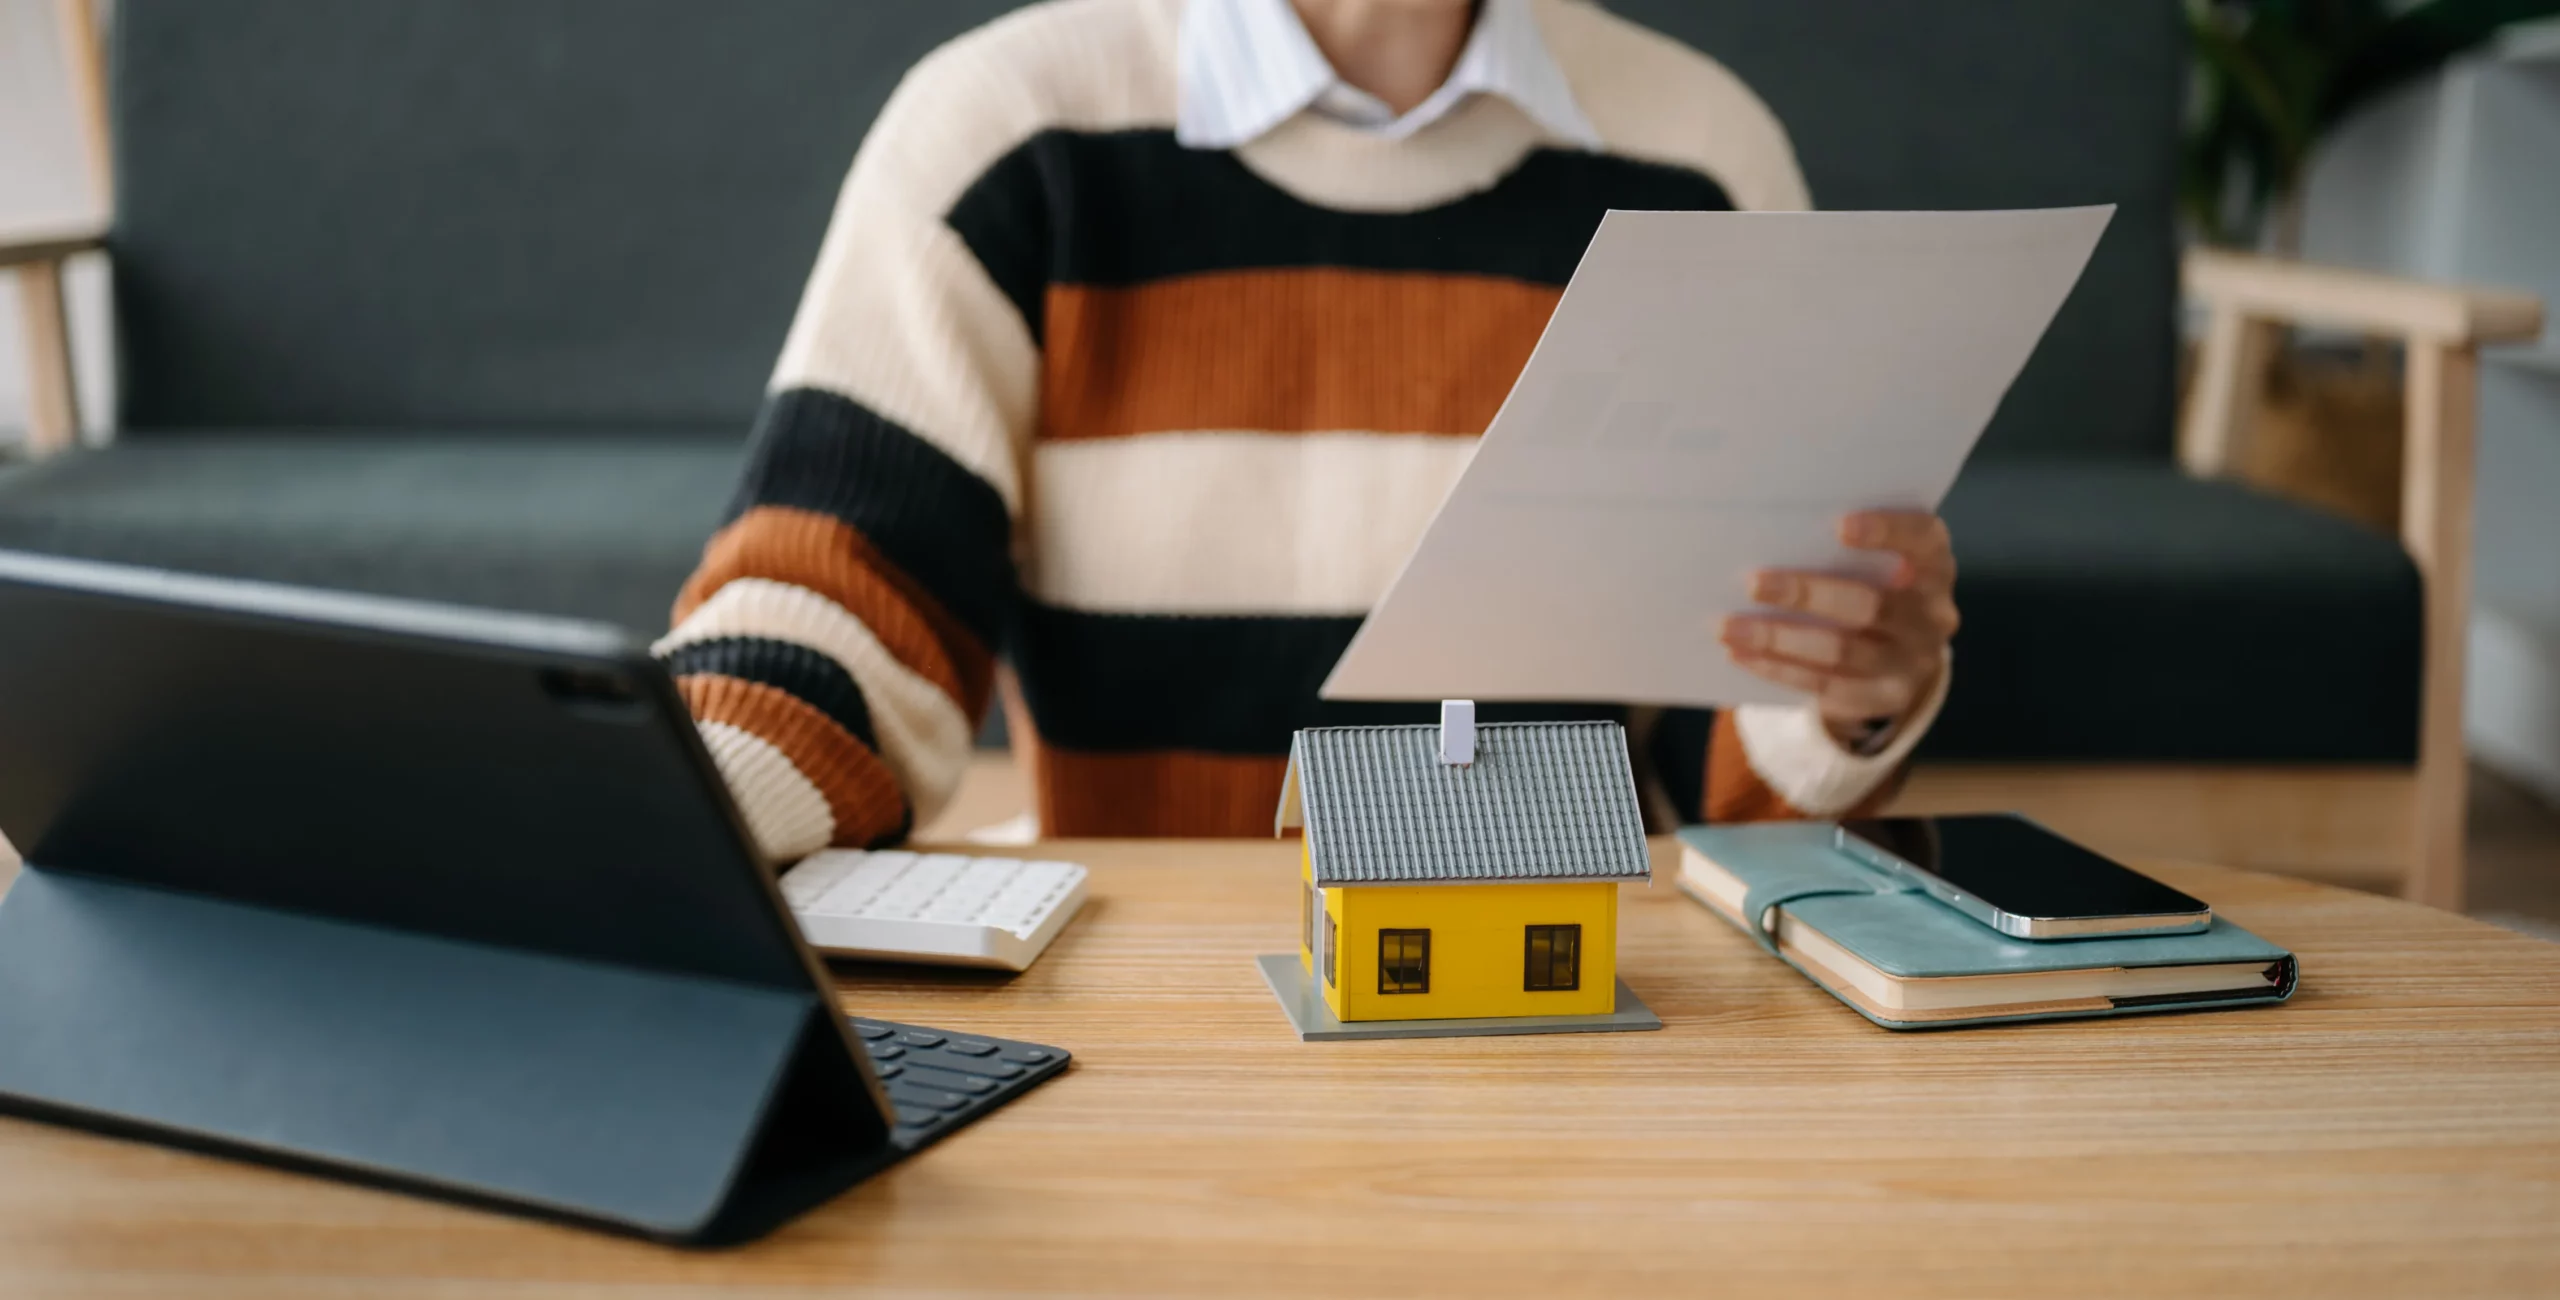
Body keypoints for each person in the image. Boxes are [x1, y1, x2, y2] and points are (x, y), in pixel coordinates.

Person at [656, 0, 1960, 859]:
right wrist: (673, 805)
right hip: (1136, 1004)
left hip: (1559, 1012)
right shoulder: (1004, 132)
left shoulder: (1701, 161)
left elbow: (1721, 779)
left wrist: (1835, 701)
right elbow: (840, 596)